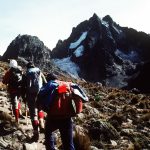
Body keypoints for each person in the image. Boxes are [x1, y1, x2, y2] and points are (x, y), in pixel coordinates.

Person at [38, 73, 75, 150]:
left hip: (53, 117)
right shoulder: (66, 84)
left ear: (48, 79)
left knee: (48, 133)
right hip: (67, 118)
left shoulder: (49, 84)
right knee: (69, 143)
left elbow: (39, 97)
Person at [23, 62, 47, 141]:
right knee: (40, 109)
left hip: (30, 96)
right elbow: (45, 83)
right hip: (39, 94)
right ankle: (42, 125)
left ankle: (36, 135)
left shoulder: (26, 73)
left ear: (27, 67)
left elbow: (23, 86)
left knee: (33, 115)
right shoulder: (39, 71)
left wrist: (24, 97)